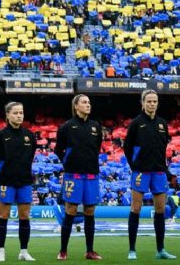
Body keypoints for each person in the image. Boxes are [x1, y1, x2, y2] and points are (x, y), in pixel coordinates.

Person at [123, 89, 176, 260]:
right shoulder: (136, 123)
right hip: (140, 172)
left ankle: (160, 249)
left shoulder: (162, 124)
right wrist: (135, 166)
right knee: (136, 208)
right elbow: (127, 148)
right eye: (149, 101)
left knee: (160, 209)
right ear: (143, 103)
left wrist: (166, 170)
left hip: (159, 172)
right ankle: (132, 250)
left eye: (155, 101)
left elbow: (163, 149)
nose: (152, 104)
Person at [54, 94, 103, 261]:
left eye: (89, 102)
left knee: (90, 212)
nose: (88, 105)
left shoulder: (95, 126)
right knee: (70, 211)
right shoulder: (67, 127)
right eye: (84, 102)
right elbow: (58, 150)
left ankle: (90, 251)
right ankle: (63, 251)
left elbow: (97, 148)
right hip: (73, 176)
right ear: (76, 106)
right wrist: (68, 164)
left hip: (91, 175)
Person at [0, 101, 38, 262]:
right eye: (15, 113)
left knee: (25, 216)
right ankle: (0, 250)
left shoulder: (29, 136)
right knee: (4, 215)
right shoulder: (0, 136)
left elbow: (30, 157)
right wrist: (2, 173)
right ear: (8, 115)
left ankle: (24, 250)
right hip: (6, 181)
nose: (19, 116)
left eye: (21, 113)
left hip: (24, 181)